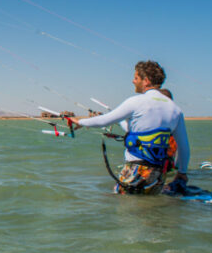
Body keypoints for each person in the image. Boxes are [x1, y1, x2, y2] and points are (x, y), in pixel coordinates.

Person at [72, 60, 190, 194]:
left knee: (124, 209)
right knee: (150, 210)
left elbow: (104, 121)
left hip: (135, 170)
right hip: (158, 175)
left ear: (145, 81)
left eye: (136, 78)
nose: (133, 81)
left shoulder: (136, 102)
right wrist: (182, 172)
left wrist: (80, 122)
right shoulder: (175, 109)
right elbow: (184, 147)